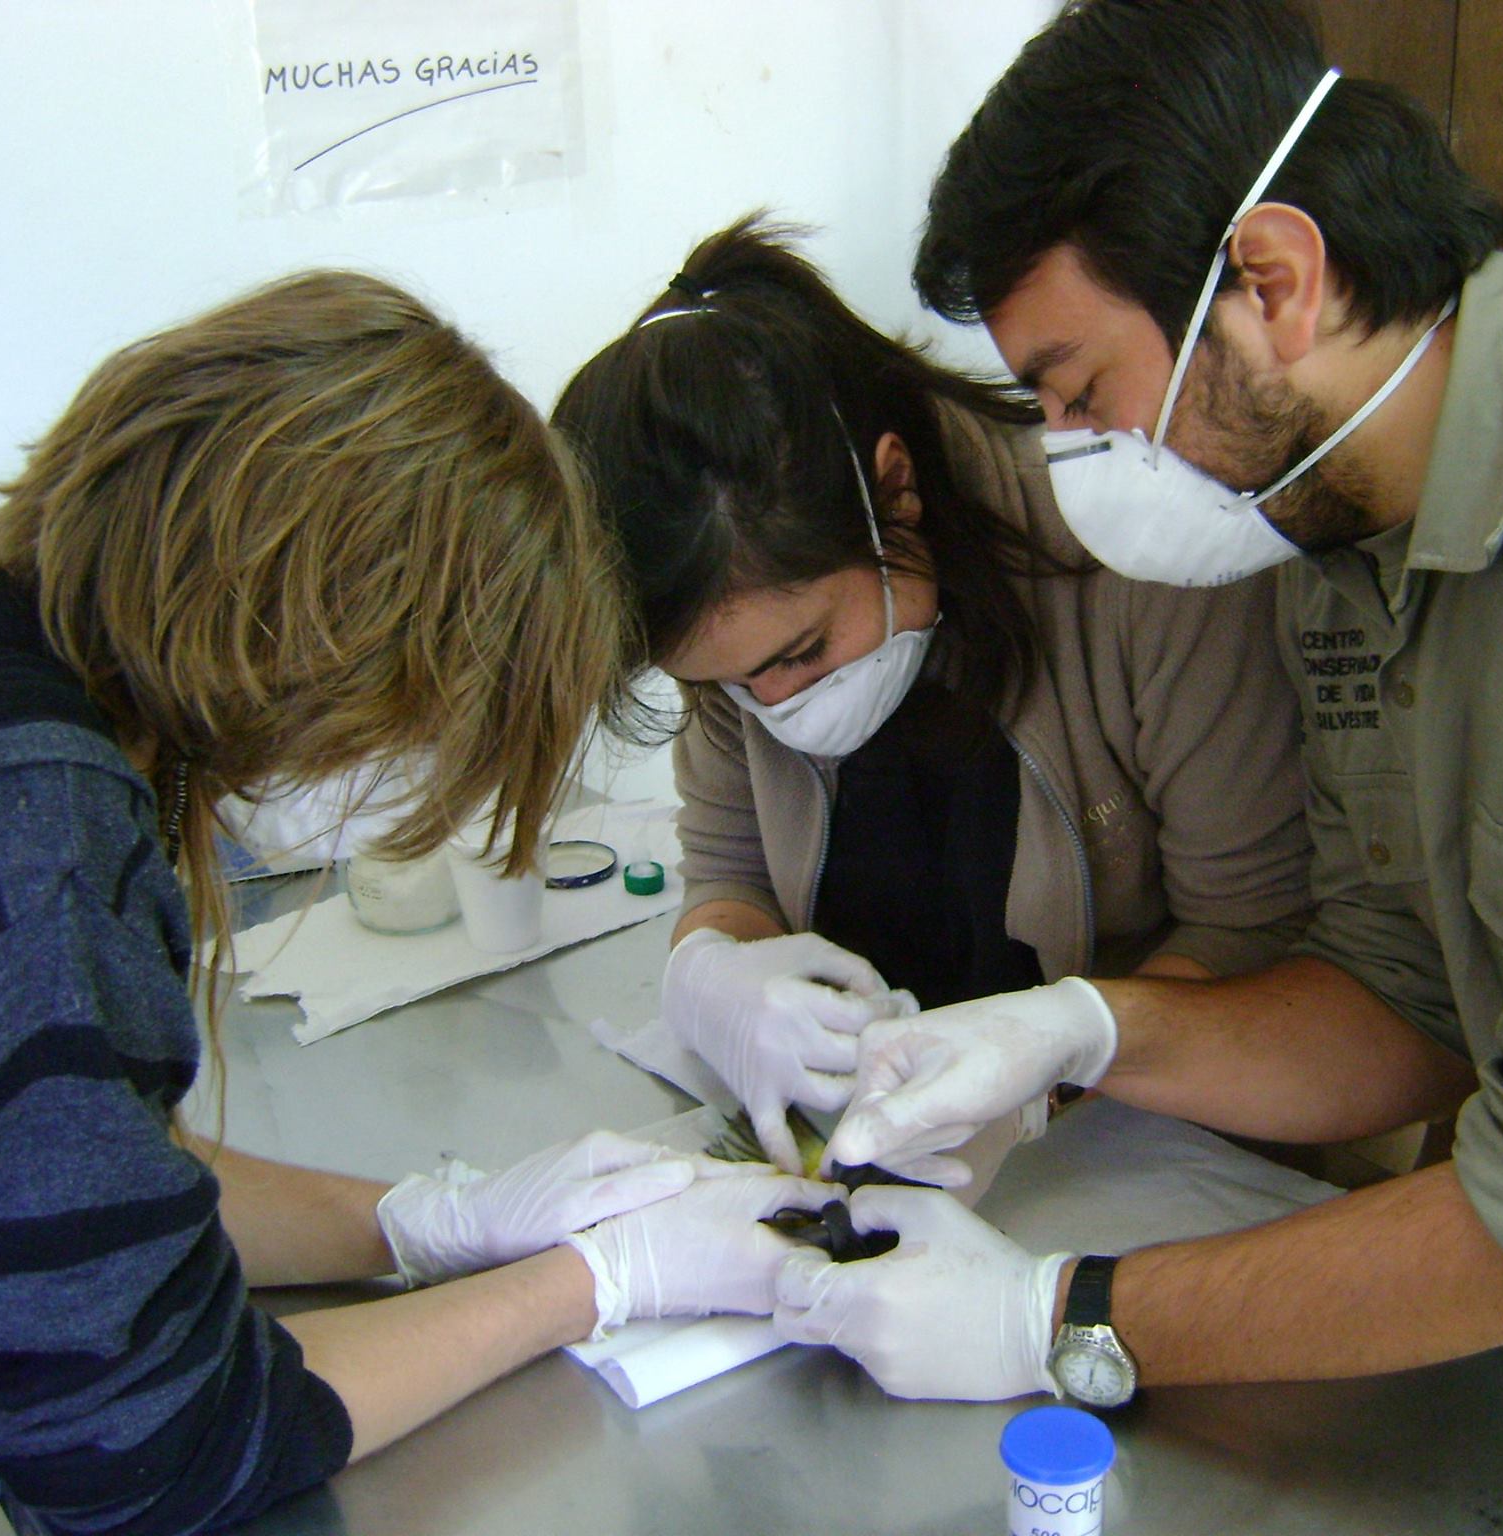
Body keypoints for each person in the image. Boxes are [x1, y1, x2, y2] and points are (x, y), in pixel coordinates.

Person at [767, 4, 1503, 1532]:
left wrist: (1064, 1318)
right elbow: (1402, 992)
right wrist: (1083, 1033)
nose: (1078, 456)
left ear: (1275, 281)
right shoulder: (1332, 517)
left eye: (1083, 392)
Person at [0, 272, 822, 1535]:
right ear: (328, 641)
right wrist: (591, 1283)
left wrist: (423, 1221)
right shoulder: (12, 834)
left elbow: (54, 1183)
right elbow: (160, 1452)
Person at [551, 217, 1312, 1176]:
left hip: (1147, 1137)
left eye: (802, 651)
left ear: (896, 491)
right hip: (882, 1129)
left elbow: (1253, 930)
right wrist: (714, 973)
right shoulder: (724, 623)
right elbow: (731, 874)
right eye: (728, 685)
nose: (775, 703)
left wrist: (1050, 1073)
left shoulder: (1132, 565)